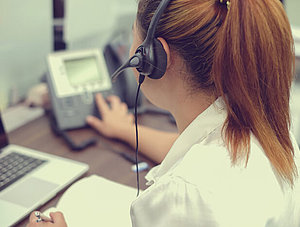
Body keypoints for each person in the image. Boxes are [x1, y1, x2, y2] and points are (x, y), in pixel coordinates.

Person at [27, 0, 300, 226]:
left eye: (133, 32)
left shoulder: (190, 198)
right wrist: (124, 130)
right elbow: (189, 149)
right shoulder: (266, 128)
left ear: (154, 57)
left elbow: (195, 182)